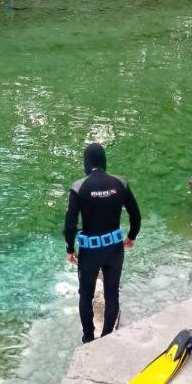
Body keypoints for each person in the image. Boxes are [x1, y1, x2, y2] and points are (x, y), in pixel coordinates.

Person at [64, 143, 141, 344]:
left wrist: (70, 249)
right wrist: (131, 236)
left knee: (86, 295)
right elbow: (135, 214)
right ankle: (107, 338)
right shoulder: (120, 183)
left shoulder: (79, 186)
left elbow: (70, 224)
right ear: (104, 161)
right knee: (112, 294)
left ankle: (88, 338)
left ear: (86, 162)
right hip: (114, 248)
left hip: (89, 251)